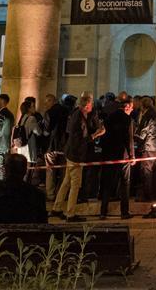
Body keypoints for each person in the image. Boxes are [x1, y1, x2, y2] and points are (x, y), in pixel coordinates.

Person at [52, 93, 104, 221]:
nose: (92, 107)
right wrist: (96, 134)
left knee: (66, 182)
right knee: (75, 185)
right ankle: (70, 213)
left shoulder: (78, 114)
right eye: (91, 104)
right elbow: (80, 139)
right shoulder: (79, 118)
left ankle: (57, 208)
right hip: (76, 155)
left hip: (71, 153)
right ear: (87, 105)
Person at [0, 152, 49, 224]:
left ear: (5, 170)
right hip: (27, 234)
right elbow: (43, 222)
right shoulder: (37, 195)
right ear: (25, 171)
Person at [100, 93, 135, 219]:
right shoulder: (127, 119)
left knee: (107, 183)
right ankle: (124, 212)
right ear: (128, 106)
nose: (132, 109)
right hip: (122, 155)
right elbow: (129, 139)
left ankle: (103, 212)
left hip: (109, 154)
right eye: (132, 107)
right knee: (125, 183)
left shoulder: (109, 117)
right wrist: (132, 155)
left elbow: (103, 135)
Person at [135, 96, 156, 202]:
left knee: (146, 172)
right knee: (153, 172)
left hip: (148, 147)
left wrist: (135, 138)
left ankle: (148, 196)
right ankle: (154, 194)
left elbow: (142, 132)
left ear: (143, 105)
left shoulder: (147, 115)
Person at [41, 93, 70, 201]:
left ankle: (50, 194)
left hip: (51, 145)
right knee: (63, 171)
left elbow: (46, 131)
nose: (45, 105)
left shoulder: (49, 113)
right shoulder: (66, 111)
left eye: (46, 102)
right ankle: (62, 194)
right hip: (64, 145)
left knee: (50, 170)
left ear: (51, 101)